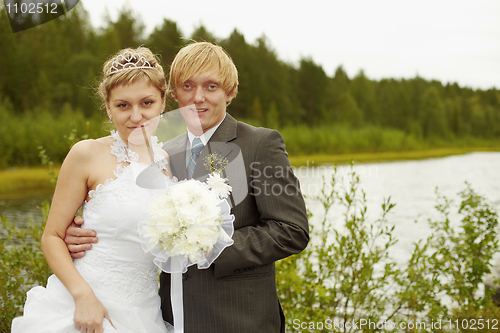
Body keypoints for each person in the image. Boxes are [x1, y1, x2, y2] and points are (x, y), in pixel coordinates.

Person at [66, 42, 309, 333]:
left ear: (229, 92)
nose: (198, 98)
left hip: (240, 320)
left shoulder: (260, 144)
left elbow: (292, 230)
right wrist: (88, 234)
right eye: (188, 86)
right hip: (170, 319)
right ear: (174, 95)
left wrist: (212, 246)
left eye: (211, 86)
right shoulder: (162, 155)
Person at [11, 47, 174, 333]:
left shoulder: (166, 163)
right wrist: (83, 296)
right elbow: (51, 237)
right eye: (123, 105)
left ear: (163, 102)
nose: (136, 116)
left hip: (145, 312)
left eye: (146, 102)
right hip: (87, 305)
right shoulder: (86, 154)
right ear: (108, 108)